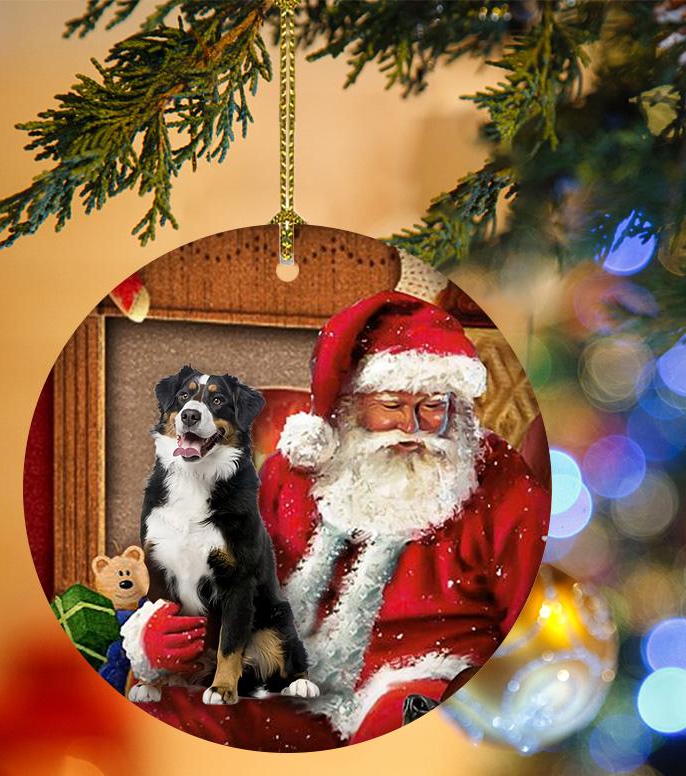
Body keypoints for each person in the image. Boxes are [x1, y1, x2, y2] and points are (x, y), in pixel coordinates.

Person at [122, 290, 550, 750]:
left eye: (433, 406)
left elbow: (535, 622)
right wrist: (168, 639)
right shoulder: (294, 473)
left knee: (402, 720)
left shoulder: (495, 480)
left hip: (425, 680)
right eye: (391, 405)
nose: (415, 426)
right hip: (295, 685)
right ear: (352, 402)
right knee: (166, 718)